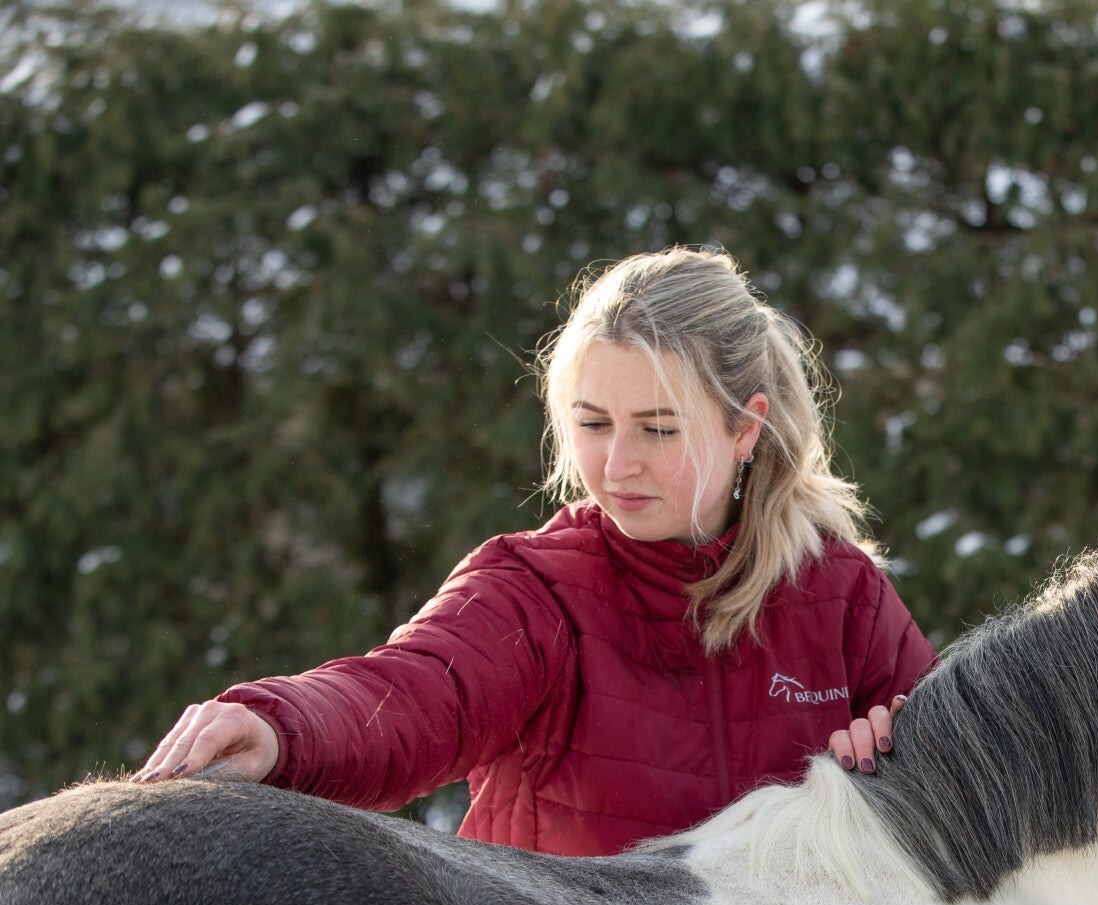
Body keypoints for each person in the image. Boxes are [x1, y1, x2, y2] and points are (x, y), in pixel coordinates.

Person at [132, 247, 936, 857]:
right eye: (592, 424)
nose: (617, 465)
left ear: (745, 427)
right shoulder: (536, 590)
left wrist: (897, 763)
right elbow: (414, 691)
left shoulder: (843, 598)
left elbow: (961, 804)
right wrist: (279, 728)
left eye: (658, 429)